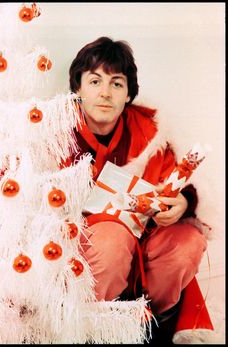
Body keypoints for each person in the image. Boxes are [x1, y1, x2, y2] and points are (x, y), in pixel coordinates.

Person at [61, 36, 213, 340]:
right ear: (77, 88)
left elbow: (176, 185)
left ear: (129, 93)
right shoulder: (54, 133)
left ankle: (151, 323)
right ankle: (94, 326)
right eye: (94, 81)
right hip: (82, 255)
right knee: (113, 237)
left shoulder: (151, 133)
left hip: (146, 247)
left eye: (117, 83)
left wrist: (181, 203)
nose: (105, 93)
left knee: (189, 241)